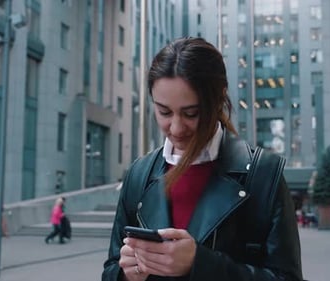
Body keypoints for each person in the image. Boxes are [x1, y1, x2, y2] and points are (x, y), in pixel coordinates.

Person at [102, 37, 303, 281]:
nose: (176, 128)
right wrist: (125, 274)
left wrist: (201, 264)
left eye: (191, 113)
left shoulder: (263, 175)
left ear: (219, 100)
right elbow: (111, 269)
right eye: (164, 111)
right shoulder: (139, 174)